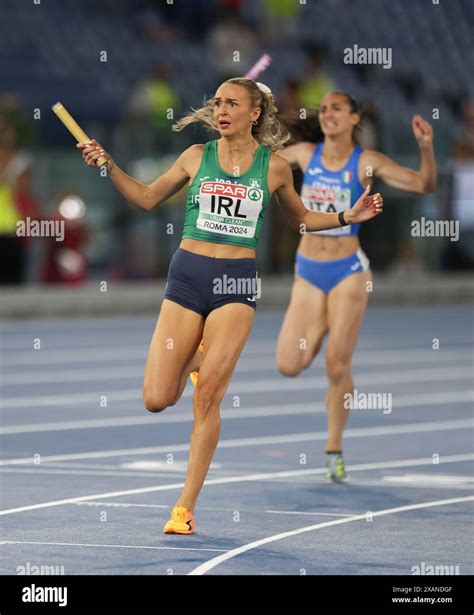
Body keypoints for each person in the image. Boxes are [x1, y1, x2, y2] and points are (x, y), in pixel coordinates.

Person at [77, 78, 383, 534]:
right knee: (157, 398)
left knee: (208, 395)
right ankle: (198, 357)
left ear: (254, 113)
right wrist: (108, 166)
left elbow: (300, 219)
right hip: (187, 277)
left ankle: (184, 506)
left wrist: (345, 217)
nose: (221, 110)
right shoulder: (195, 158)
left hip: (235, 284)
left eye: (232, 104)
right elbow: (144, 198)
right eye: (217, 103)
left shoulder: (275, 167)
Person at [275, 91, 436, 482]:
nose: (328, 114)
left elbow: (423, 185)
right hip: (308, 269)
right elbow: (258, 160)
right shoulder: (302, 154)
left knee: (337, 364)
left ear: (353, 120)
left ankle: (334, 449)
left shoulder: (365, 162)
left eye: (337, 109)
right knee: (289, 364)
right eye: (324, 109)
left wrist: (426, 148)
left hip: (348, 271)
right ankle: (326, 325)